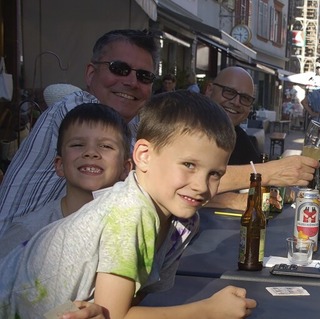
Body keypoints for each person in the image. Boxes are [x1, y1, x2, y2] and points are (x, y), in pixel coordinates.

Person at [0, 91, 257, 319]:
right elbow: (117, 315)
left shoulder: (184, 222)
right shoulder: (130, 212)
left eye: (215, 174)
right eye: (189, 165)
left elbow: (130, 299)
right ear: (143, 156)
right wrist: (207, 311)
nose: (202, 185)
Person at [0, 29, 158, 237]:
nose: (131, 82)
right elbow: (154, 180)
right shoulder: (77, 112)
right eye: (119, 69)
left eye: (144, 76)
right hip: (18, 256)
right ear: (91, 74)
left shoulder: (127, 122)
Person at [0, 103, 132, 258]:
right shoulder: (29, 233)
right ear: (60, 165)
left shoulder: (132, 230)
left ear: (125, 168)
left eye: (106, 146)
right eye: (77, 144)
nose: (91, 152)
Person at [203, 66, 319, 210]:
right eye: (229, 92)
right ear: (209, 90)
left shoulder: (239, 138)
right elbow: (186, 183)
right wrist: (234, 200)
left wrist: (279, 191)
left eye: (245, 98)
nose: (236, 102)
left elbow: (259, 180)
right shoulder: (187, 125)